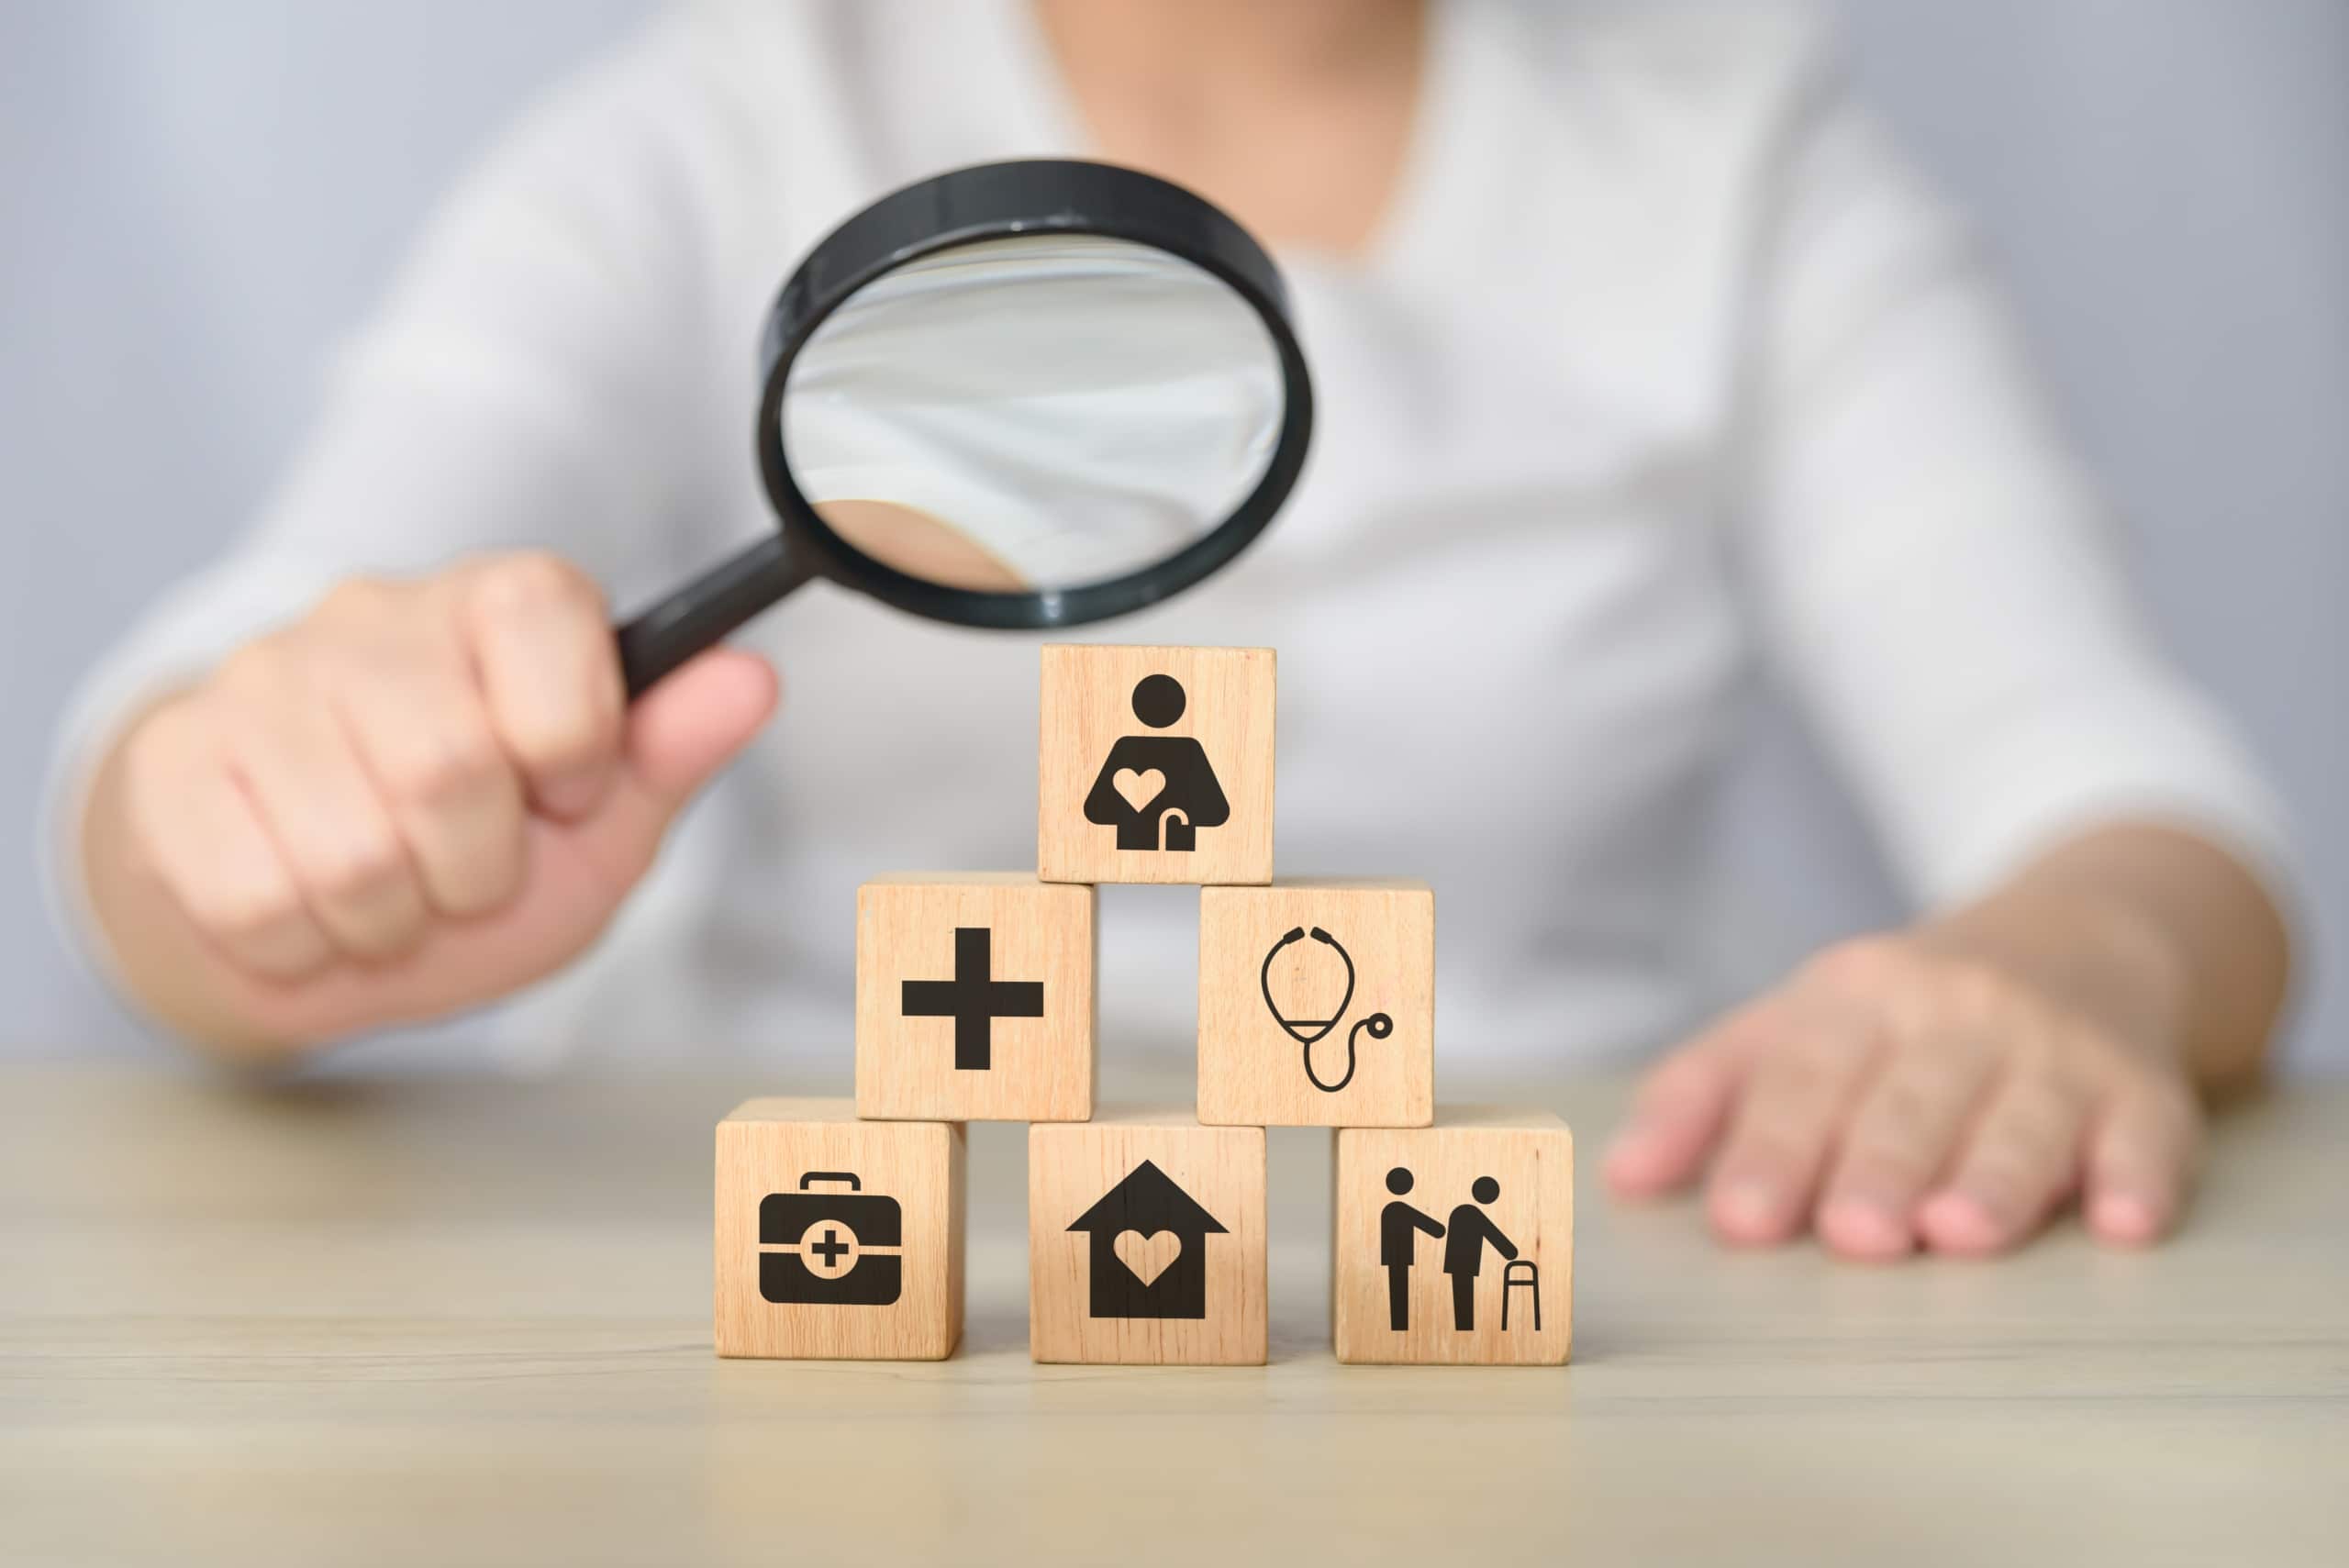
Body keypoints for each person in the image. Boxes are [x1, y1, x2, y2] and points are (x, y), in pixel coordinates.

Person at [46, 0, 2295, 1263]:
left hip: (1560, 1264)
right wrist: (256, 839)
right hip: (787, 1278)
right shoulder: (717, 124)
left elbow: (2130, 810)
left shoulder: (1745, 163)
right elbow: (200, 729)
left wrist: (2060, 962)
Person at [1083, 674, 1230, 851]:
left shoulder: (1126, 748)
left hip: (1134, 847)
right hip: (1180, 848)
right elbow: (1216, 812)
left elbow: (1095, 809)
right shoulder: (1189, 750)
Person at [1442, 1177, 1518, 1332]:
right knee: (1464, 1298)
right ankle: (1464, 1330)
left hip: (1456, 1263)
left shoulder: (1460, 1211)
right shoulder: (1473, 1213)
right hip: (1466, 1264)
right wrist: (1510, 1252)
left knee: (1461, 1297)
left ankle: (1463, 1329)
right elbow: (1495, 1236)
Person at [1379, 1166, 1446, 1330]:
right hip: (1401, 1257)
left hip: (1392, 1257)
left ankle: (1398, 1325)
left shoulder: (1388, 1210)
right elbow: (1435, 1229)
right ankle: (1400, 1326)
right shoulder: (1402, 1209)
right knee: (1400, 1291)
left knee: (1397, 1290)